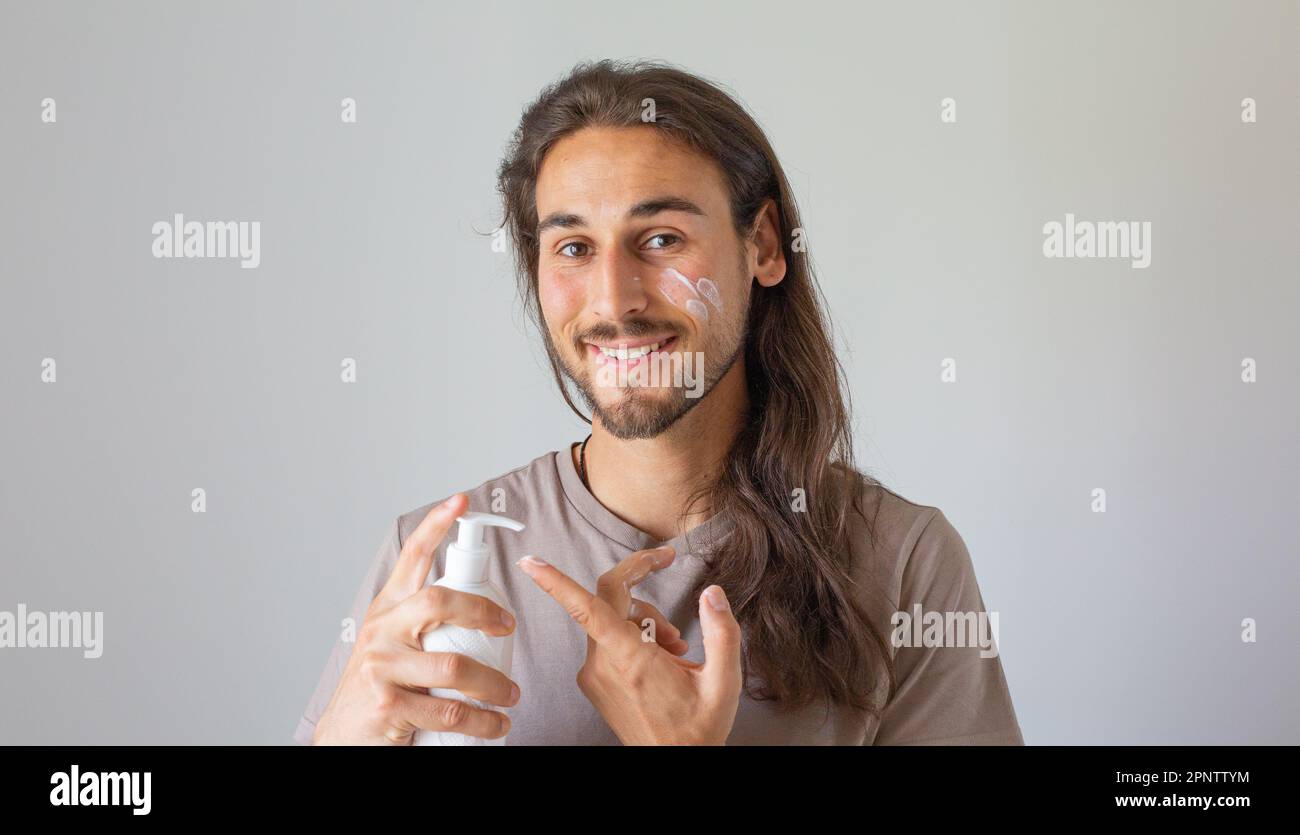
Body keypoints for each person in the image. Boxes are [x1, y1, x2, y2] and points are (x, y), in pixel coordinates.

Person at [295, 59, 1024, 745]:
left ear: (764, 245)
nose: (615, 300)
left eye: (662, 238)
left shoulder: (905, 563)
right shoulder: (433, 557)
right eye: (574, 248)